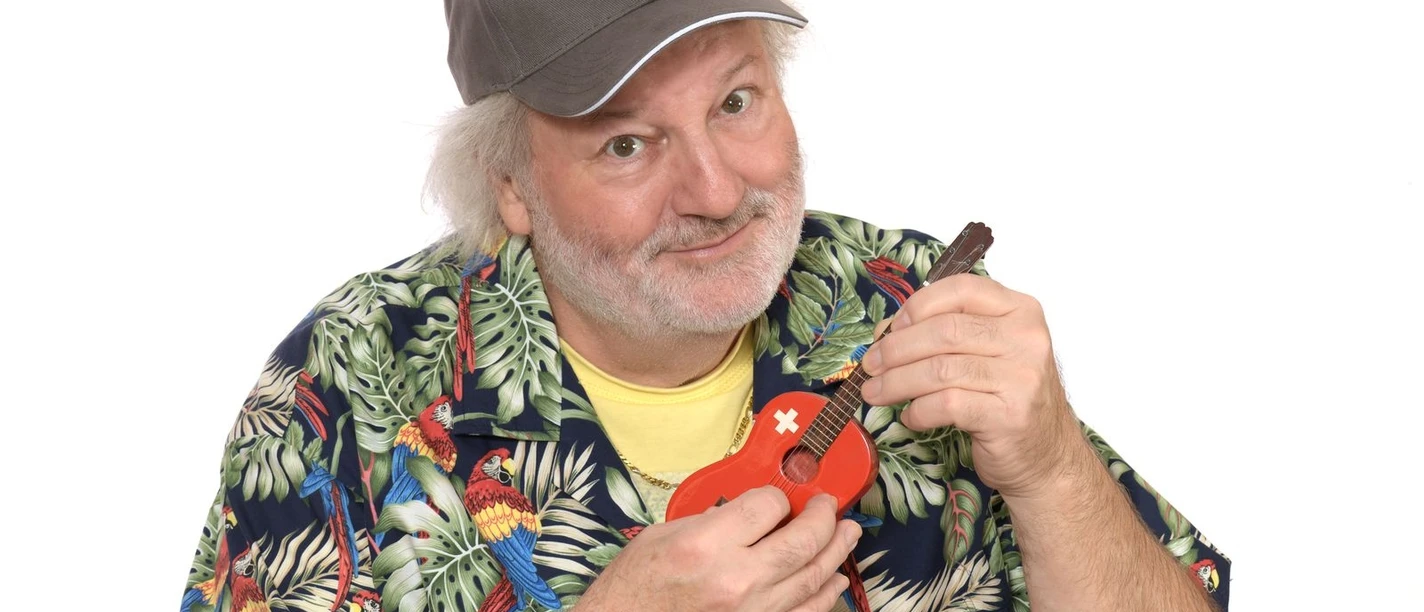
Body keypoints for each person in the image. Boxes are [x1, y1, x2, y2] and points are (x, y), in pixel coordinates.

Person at [180, 1, 1231, 610]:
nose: (719, 193)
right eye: (627, 144)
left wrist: (1051, 471)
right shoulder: (347, 380)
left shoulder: (915, 301)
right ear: (512, 187)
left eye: (735, 101)